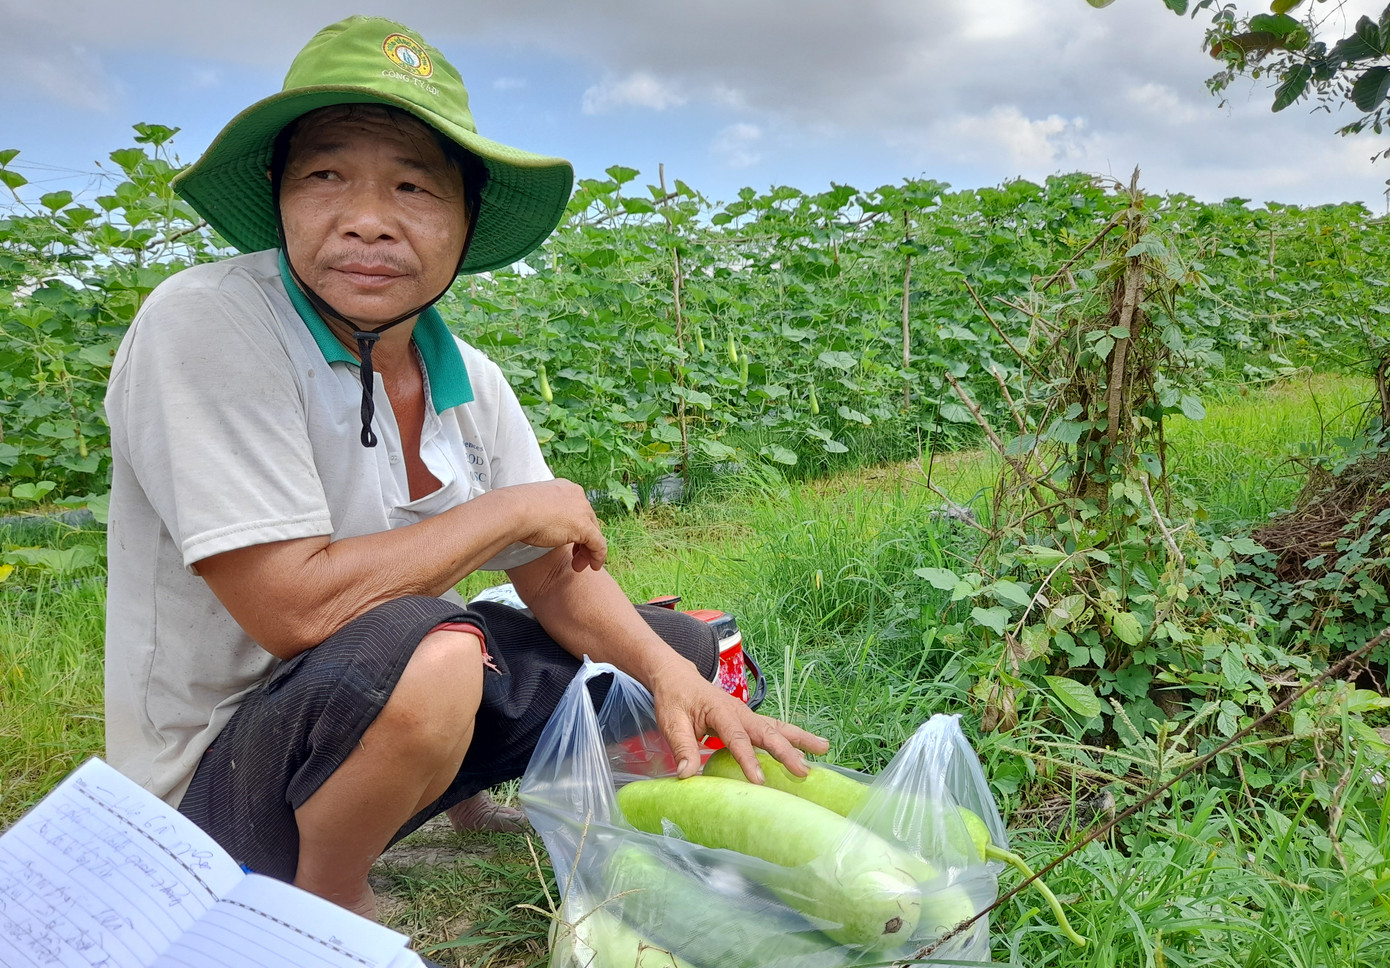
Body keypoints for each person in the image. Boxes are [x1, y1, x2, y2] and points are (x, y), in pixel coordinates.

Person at [103, 15, 827, 922]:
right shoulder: (206, 322)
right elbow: (298, 610)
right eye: (325, 175)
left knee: (668, 650)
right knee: (435, 650)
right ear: (280, 196)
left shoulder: (468, 378)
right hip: (214, 784)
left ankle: (526, 813)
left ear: (465, 222)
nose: (367, 219)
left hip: (380, 727)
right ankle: (321, 907)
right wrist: (509, 513)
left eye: (413, 186)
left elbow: (559, 582)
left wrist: (670, 675)